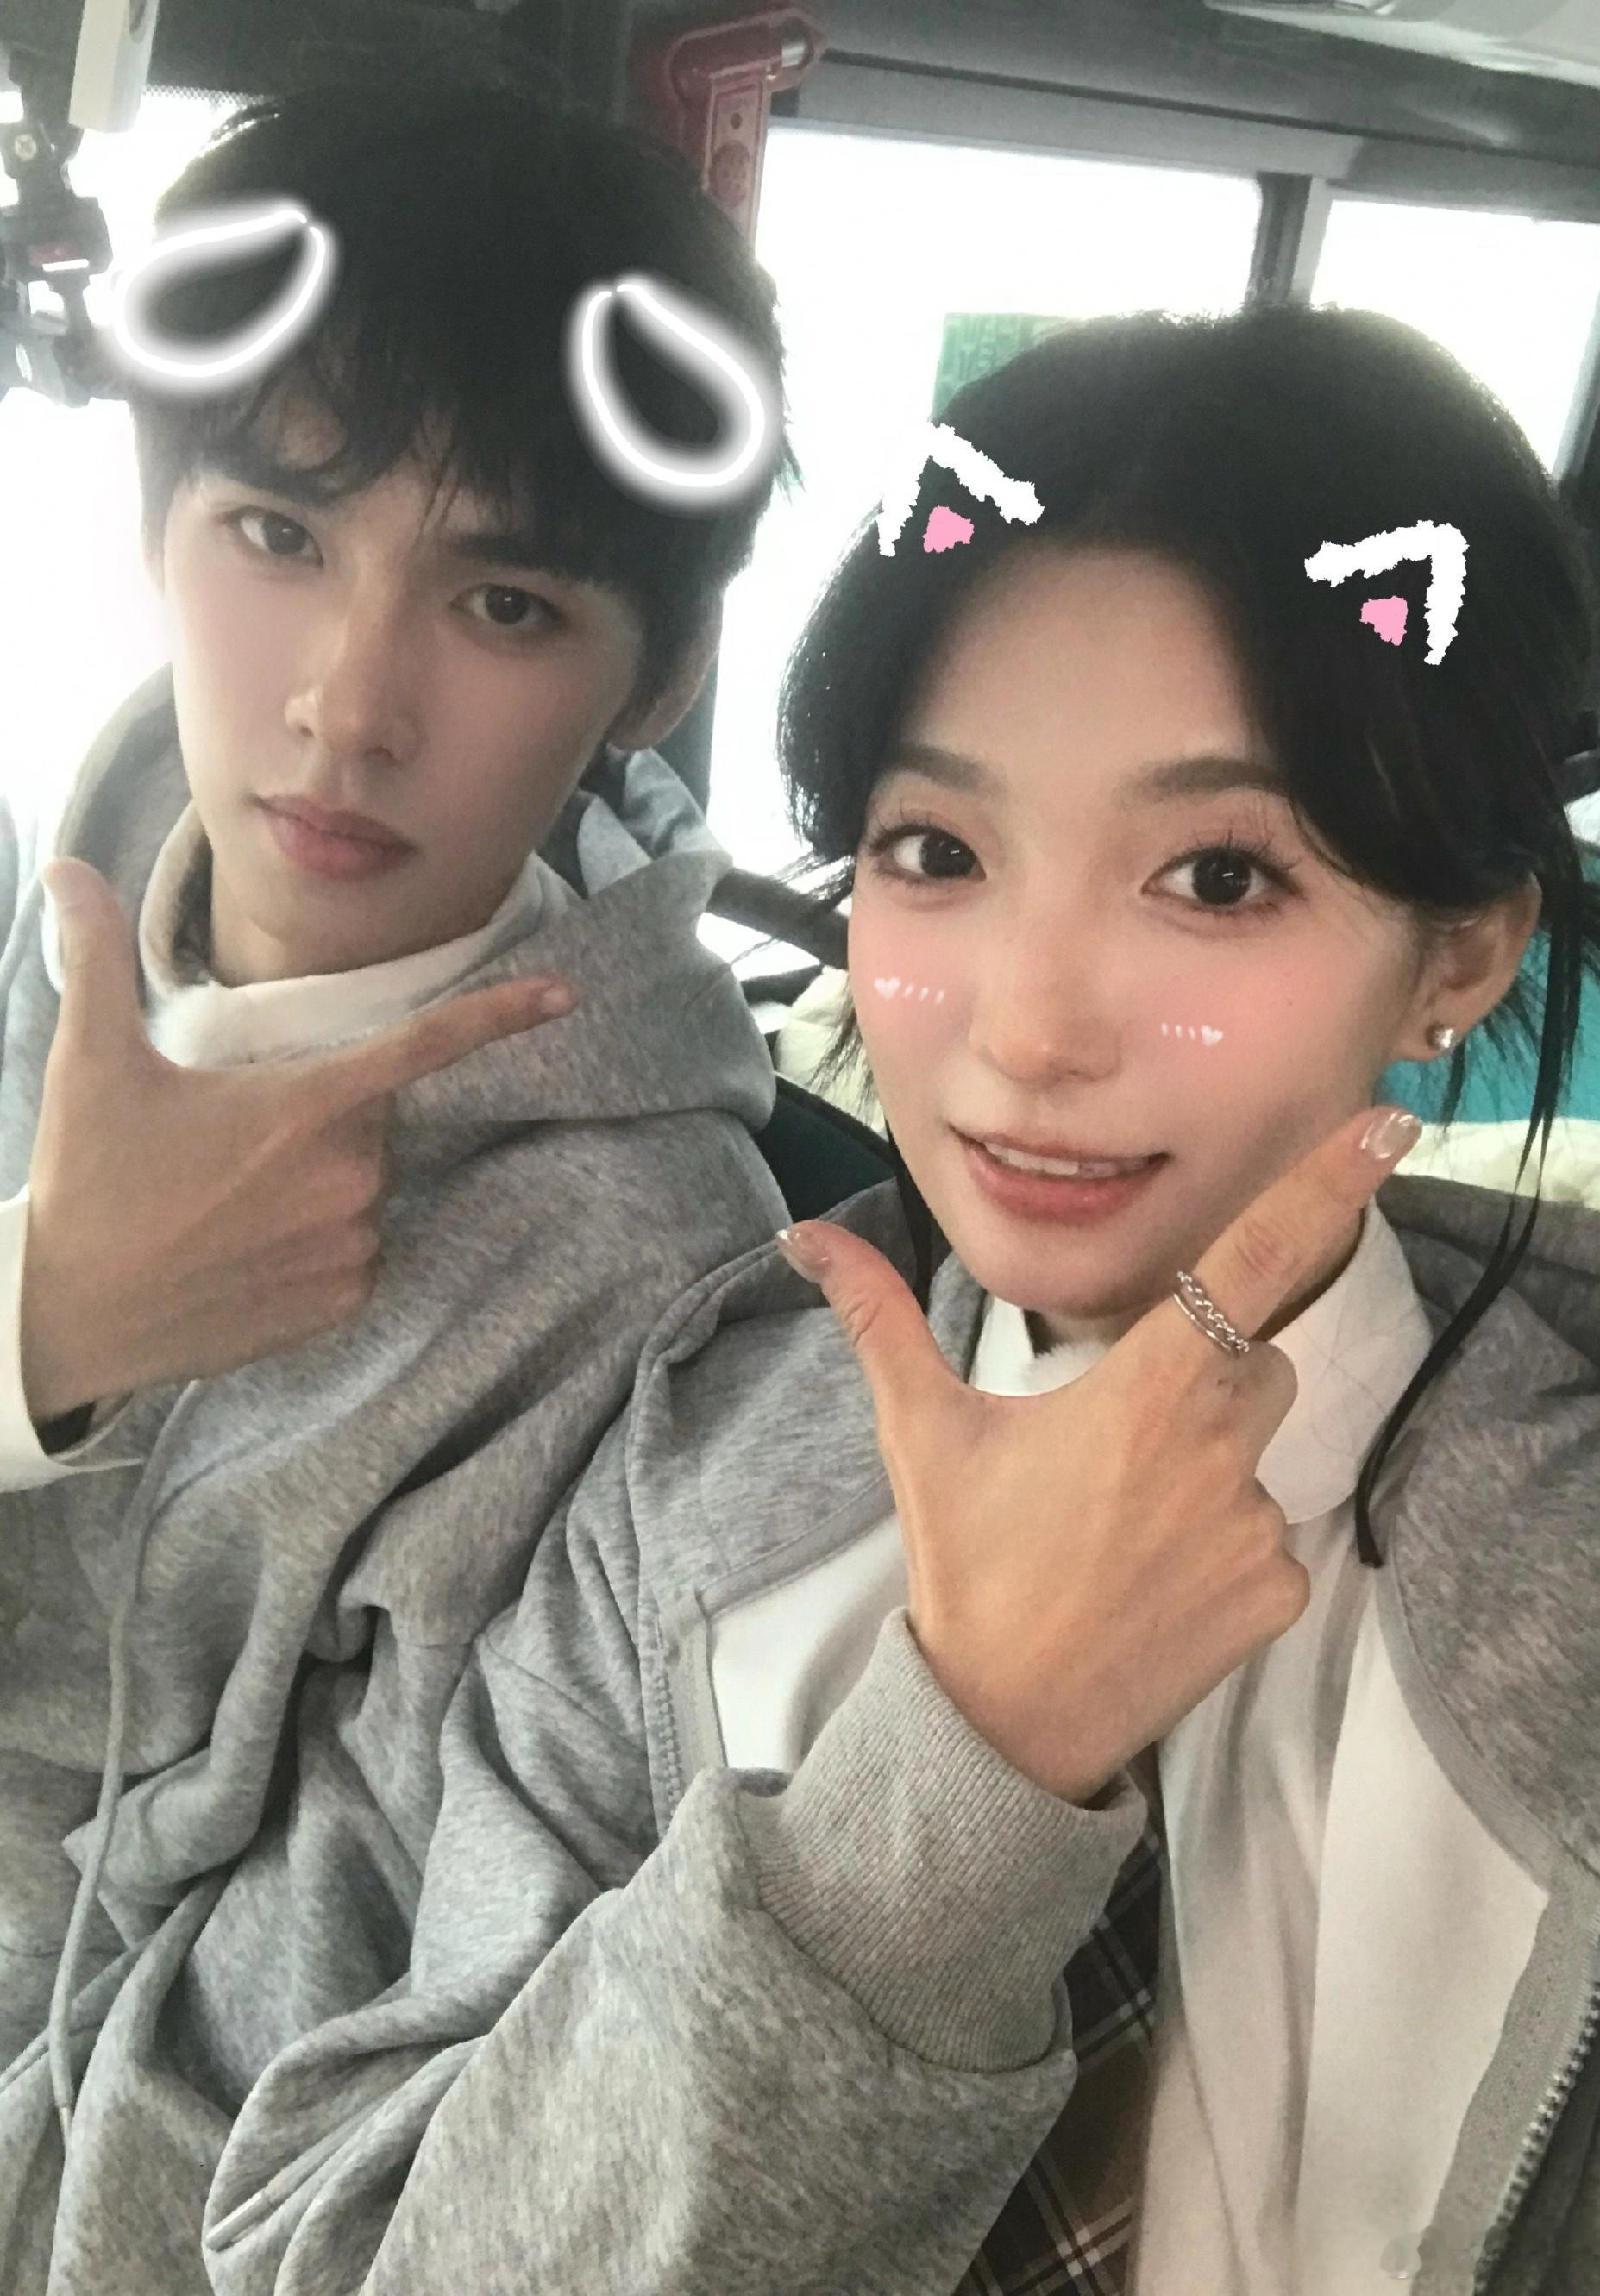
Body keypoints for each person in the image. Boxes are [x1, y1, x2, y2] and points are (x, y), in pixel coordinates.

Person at [91, 310, 1600, 2293]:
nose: (1027, 1031)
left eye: (1217, 878)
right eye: (935, 849)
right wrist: (948, 1799)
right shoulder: (677, 1486)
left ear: (1457, 951)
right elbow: (329, 2235)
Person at [0, 68, 794, 2278]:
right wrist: (49, 1320)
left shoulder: (646, 1275)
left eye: (506, 601)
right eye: (276, 535)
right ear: (154, 525)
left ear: (655, 675)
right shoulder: (37, 899)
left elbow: (299, 2047)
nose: (349, 706)